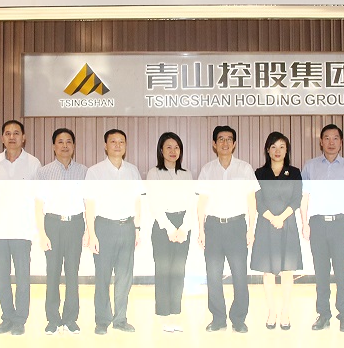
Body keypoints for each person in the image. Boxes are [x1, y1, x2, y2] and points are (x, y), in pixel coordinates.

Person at [300, 124, 344, 333]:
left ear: (341, 142)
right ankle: (323, 314)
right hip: (317, 224)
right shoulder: (310, 166)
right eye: (326, 138)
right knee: (321, 274)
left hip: (340, 224)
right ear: (321, 142)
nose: (331, 142)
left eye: (335, 138)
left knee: (342, 273)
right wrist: (305, 223)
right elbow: (304, 197)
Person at [197, 125, 259, 333]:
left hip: (237, 227)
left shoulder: (245, 168)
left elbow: (252, 201)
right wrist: (201, 230)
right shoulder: (207, 170)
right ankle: (218, 319)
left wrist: (251, 229)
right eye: (221, 139)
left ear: (235, 144)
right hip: (213, 227)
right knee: (213, 275)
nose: (225, 143)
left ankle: (239, 319)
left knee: (240, 275)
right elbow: (201, 202)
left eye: (229, 139)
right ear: (214, 144)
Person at [0, 120, 41, 335]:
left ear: (23, 137)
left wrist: (37, 227)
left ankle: (20, 320)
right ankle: (7, 317)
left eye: (16, 133)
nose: (12, 137)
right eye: (7, 133)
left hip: (22, 229)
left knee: (22, 277)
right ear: (2, 138)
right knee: (2, 277)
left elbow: (38, 198)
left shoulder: (33, 163)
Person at [84, 129, 144, 335]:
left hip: (127, 227)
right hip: (104, 228)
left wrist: (137, 228)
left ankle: (120, 319)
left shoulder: (132, 171)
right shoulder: (95, 172)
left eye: (121, 142)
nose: (117, 145)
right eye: (113, 141)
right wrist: (91, 233)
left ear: (125, 146)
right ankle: (102, 320)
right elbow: (89, 204)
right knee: (102, 277)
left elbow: (137, 201)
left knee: (124, 278)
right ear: (105, 145)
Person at [36, 128, 89, 335]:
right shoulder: (44, 172)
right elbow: (38, 204)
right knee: (53, 273)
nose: (65, 145)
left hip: (75, 225)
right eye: (60, 142)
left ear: (74, 146)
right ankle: (52, 319)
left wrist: (88, 229)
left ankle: (70, 319)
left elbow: (88, 202)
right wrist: (42, 233)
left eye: (68, 142)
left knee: (72, 274)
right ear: (53, 146)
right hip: (52, 224)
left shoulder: (84, 172)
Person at [144, 132, 196, 333]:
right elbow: (154, 203)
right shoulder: (154, 173)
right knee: (163, 269)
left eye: (176, 147)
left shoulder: (186, 174)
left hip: (183, 225)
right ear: (161, 150)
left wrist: (184, 228)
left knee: (178, 270)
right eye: (168, 147)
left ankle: (175, 311)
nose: (173, 151)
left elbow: (191, 203)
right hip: (162, 225)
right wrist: (169, 228)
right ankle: (162, 313)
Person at [252, 131, 303, 330]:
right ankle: (272, 312)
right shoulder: (259, 173)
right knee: (268, 272)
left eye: (282, 146)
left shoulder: (294, 172)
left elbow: (296, 199)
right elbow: (258, 201)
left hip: (287, 225)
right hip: (266, 225)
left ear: (287, 150)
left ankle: (285, 312)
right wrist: (272, 218)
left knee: (287, 271)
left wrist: (281, 218)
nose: (277, 151)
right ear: (267, 150)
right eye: (273, 147)